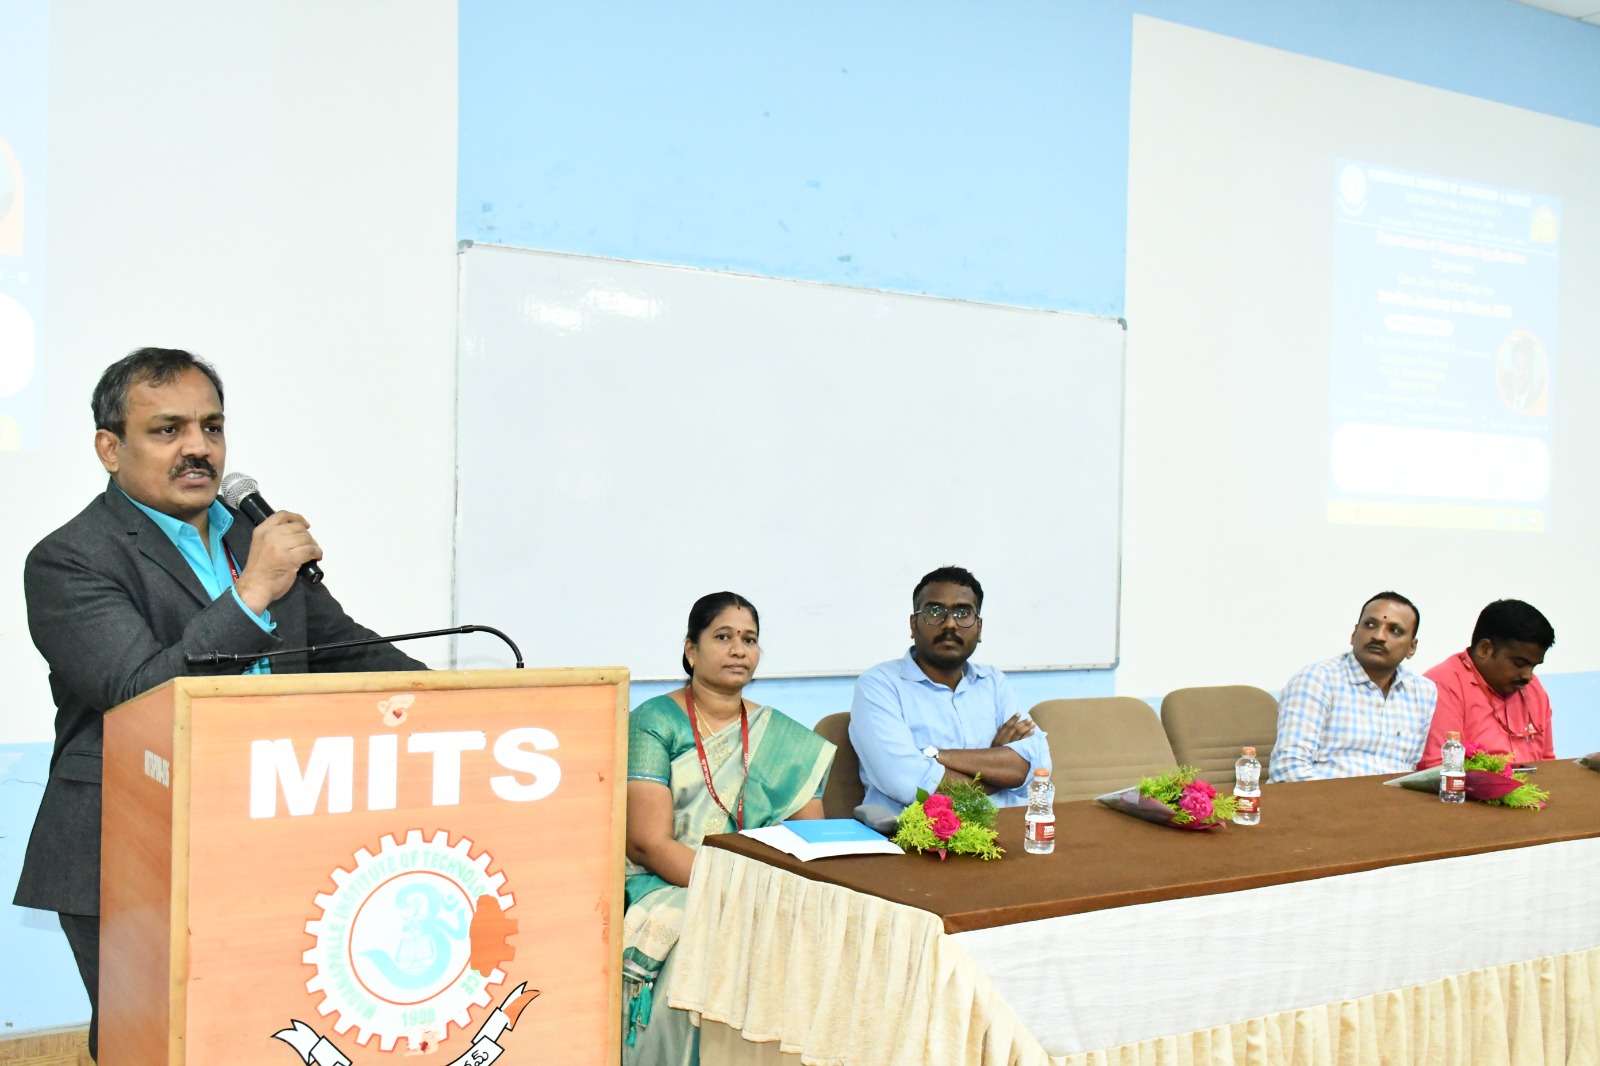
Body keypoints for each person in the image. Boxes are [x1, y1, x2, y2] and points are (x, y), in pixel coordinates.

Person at [12, 348, 426, 1061]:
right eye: (167, 430)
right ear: (110, 448)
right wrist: (252, 592)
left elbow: (349, 650)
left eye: (211, 427)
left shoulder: (247, 538)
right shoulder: (71, 559)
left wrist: (469, 700)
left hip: (270, 828)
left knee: (262, 1031)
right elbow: (141, 693)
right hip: (131, 848)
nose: (198, 447)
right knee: (152, 1042)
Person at [622, 592, 835, 1066]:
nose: (739, 649)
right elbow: (648, 843)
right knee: (710, 938)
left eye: (749, 639)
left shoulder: (781, 737)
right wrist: (732, 891)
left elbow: (808, 842)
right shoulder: (654, 722)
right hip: (666, 881)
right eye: (723, 637)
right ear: (691, 650)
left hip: (752, 884)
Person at [848, 566, 1050, 809]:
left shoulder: (994, 682)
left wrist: (934, 755)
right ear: (913, 625)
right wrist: (995, 766)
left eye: (963, 613)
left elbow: (1036, 768)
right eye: (935, 611)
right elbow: (909, 783)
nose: (950, 624)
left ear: (979, 628)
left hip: (1007, 824)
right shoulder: (879, 685)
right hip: (921, 829)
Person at [1270, 592, 1437, 782]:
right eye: (1370, 625)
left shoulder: (1422, 692)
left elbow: (1410, 771)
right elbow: (1288, 769)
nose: (1379, 636)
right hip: (1323, 797)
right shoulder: (1317, 680)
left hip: (1393, 799)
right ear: (1353, 634)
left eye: (1395, 630)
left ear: (1412, 647)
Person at [1419, 599, 1555, 768]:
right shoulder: (1442, 685)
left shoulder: (1534, 690)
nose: (1528, 676)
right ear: (1485, 649)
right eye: (1519, 663)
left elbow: (1548, 764)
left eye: (1533, 666)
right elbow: (1439, 768)